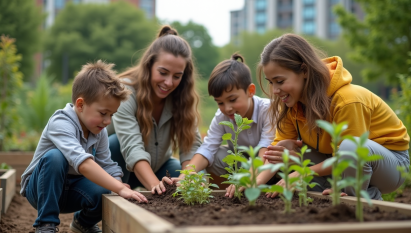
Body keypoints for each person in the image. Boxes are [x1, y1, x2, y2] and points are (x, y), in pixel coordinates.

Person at [256, 33, 409, 200]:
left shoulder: (347, 100)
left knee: (350, 147)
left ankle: (360, 198)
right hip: (337, 158)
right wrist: (252, 183)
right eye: (271, 82)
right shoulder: (290, 103)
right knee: (285, 150)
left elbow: (351, 154)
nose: (275, 90)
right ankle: (332, 189)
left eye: (279, 81)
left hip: (389, 165)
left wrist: (302, 173)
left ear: (305, 71)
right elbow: (275, 152)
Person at [20, 60, 147, 233]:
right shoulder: (61, 122)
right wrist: (119, 188)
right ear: (80, 104)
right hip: (40, 188)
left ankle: (83, 223)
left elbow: (107, 163)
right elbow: (84, 164)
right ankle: (45, 224)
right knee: (55, 157)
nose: (107, 121)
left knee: (105, 189)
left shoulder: (99, 131)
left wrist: (118, 184)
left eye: (111, 115)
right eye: (103, 113)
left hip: (71, 189)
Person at [108, 25, 202, 195]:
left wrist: (186, 178)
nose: (168, 82)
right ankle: (84, 220)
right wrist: (155, 186)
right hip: (119, 167)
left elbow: (191, 147)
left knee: (198, 172)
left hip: (160, 167)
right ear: (149, 65)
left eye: (177, 76)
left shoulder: (182, 97)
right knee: (114, 143)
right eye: (163, 72)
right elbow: (132, 148)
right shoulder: (126, 92)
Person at [172, 53, 275, 197]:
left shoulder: (268, 110)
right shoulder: (222, 117)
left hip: (269, 169)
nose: (227, 108)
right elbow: (208, 148)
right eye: (220, 102)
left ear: (250, 91)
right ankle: (225, 195)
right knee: (215, 156)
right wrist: (186, 175)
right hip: (241, 166)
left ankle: (253, 188)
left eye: (232, 99)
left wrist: (246, 179)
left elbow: (266, 152)